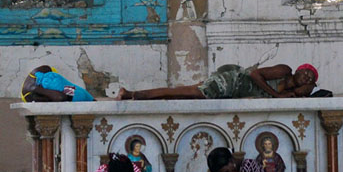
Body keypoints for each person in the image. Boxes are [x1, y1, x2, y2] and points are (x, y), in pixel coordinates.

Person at [118, 63, 318, 100]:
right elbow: (255, 74)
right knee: (186, 93)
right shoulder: (284, 71)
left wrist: (304, 91)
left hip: (233, 91)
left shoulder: (288, 95)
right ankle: (131, 94)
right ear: (299, 69)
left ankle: (131, 94)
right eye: (307, 73)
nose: (306, 77)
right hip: (231, 81)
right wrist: (275, 95)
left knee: (183, 94)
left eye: (310, 80)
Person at [20, 65, 94, 102]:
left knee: (79, 93)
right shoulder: (34, 92)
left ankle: (91, 100)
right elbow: (60, 97)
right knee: (79, 94)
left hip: (40, 89)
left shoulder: (43, 72)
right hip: (34, 93)